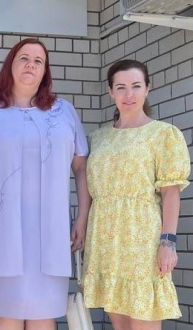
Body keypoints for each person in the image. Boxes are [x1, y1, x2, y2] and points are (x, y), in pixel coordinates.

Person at [0, 38, 90, 330]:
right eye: (24, 58)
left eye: (38, 61)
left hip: (51, 234)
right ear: (10, 65)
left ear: (45, 71)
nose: (31, 65)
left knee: (44, 315)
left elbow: (81, 167)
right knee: (5, 315)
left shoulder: (64, 112)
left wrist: (82, 217)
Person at [83, 59, 190, 329]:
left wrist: (168, 242)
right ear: (110, 91)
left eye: (136, 86)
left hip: (142, 240)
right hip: (106, 241)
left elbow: (170, 193)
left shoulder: (163, 135)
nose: (128, 94)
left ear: (147, 88)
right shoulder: (98, 138)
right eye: (120, 87)